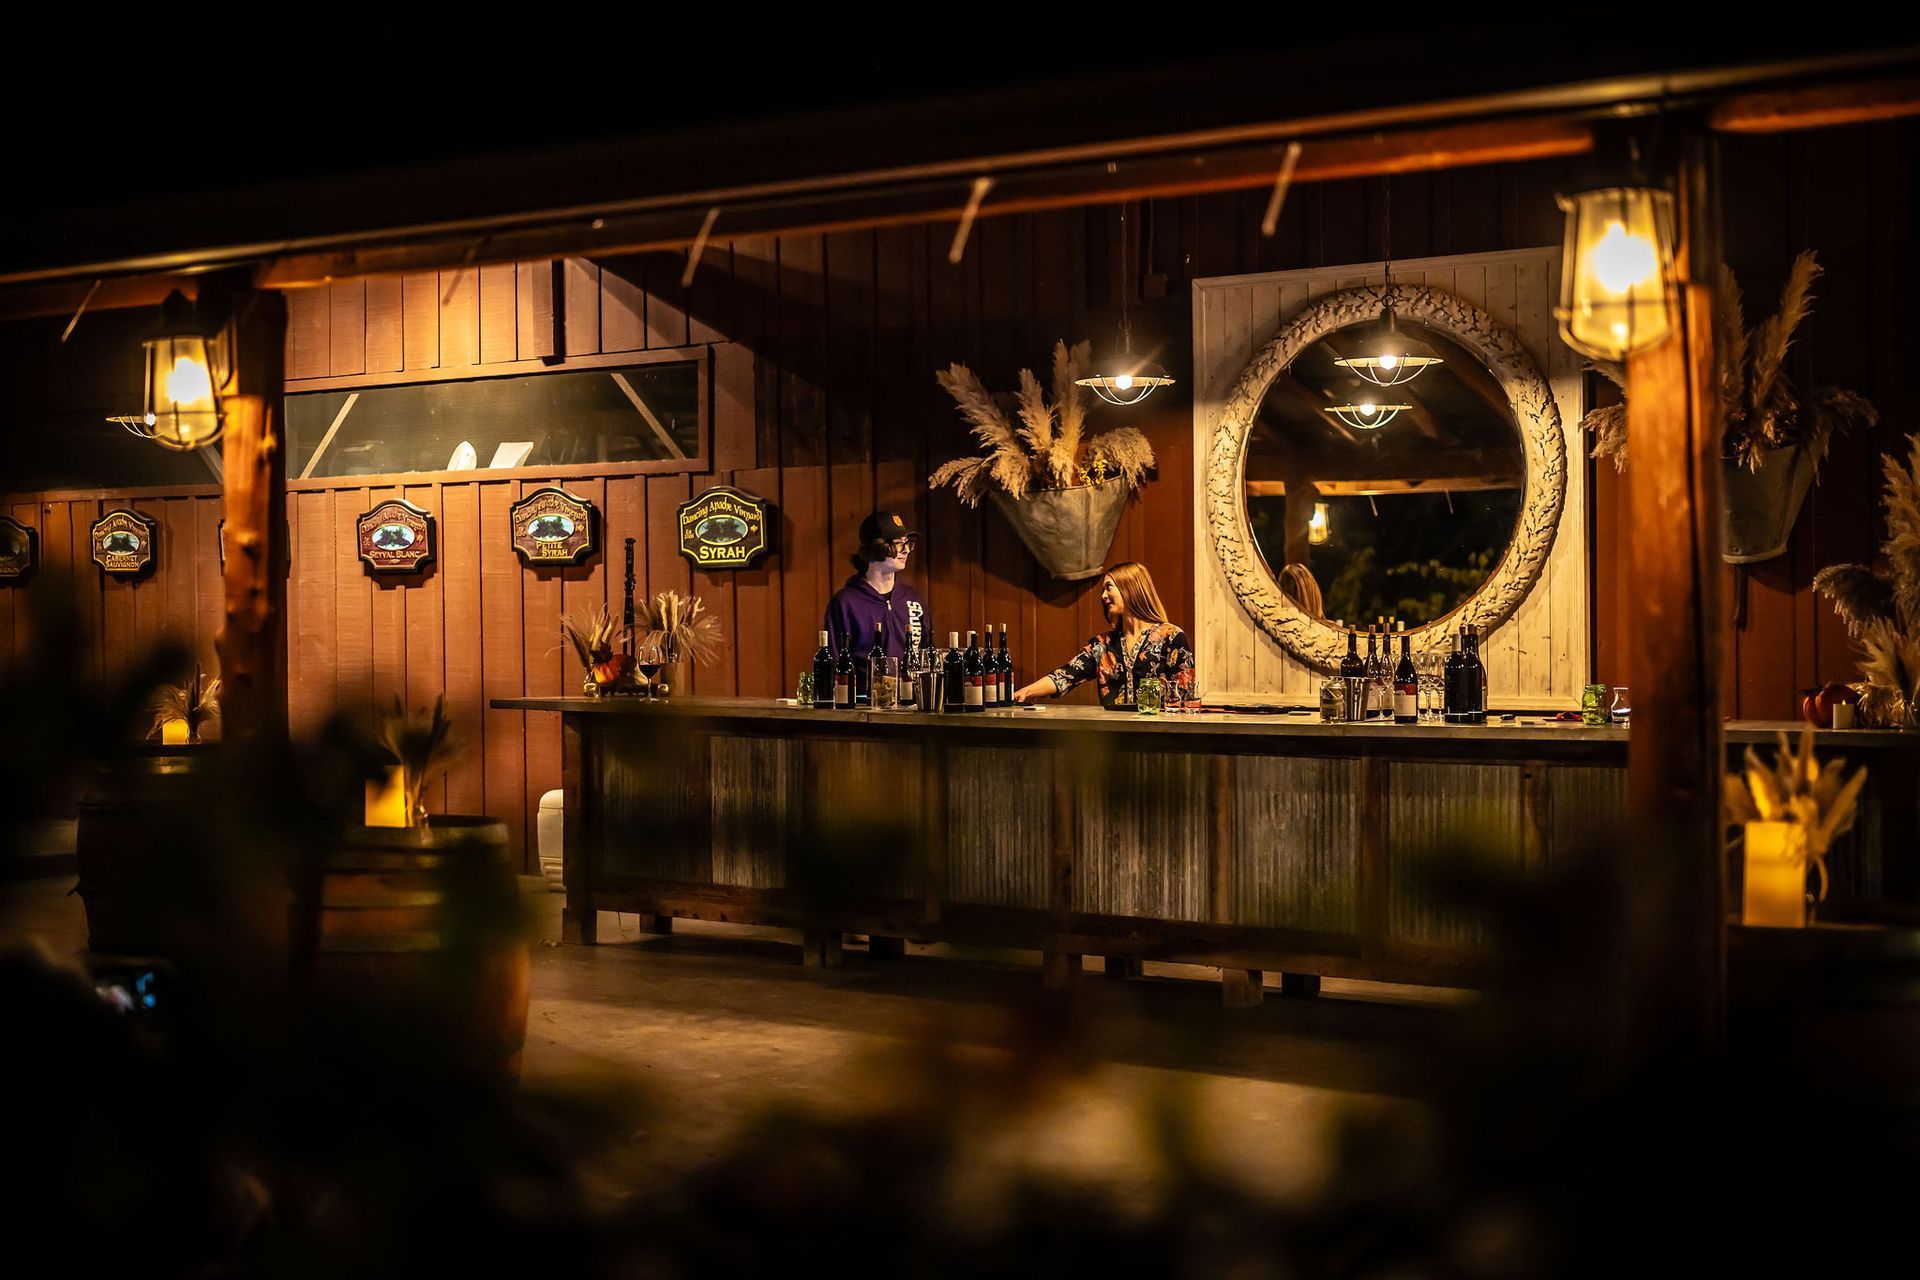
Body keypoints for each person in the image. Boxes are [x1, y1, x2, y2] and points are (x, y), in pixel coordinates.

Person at [1012, 561, 1196, 710]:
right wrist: (1026, 692)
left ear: (1130, 588)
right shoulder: (1103, 645)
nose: (1103, 596)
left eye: (1109, 587)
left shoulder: (1171, 637)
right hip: (1113, 738)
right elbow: (1065, 675)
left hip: (1160, 740)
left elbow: (1186, 694)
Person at [823, 509, 934, 660]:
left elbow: (927, 656)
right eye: (898, 544)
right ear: (876, 547)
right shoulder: (845, 603)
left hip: (910, 684)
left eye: (908, 543)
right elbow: (836, 664)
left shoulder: (914, 598)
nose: (906, 550)